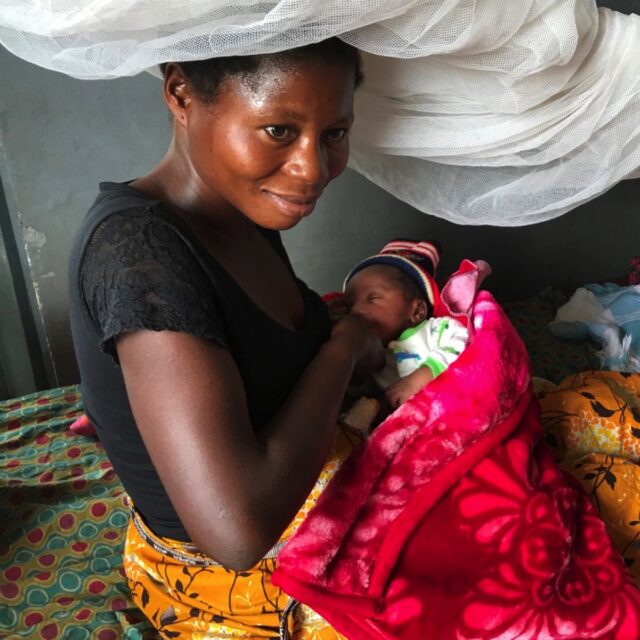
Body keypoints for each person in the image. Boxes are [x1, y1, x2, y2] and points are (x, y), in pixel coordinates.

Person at [68, 39, 385, 639]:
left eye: (334, 134)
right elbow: (236, 532)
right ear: (180, 93)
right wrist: (344, 347)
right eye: (278, 130)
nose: (313, 169)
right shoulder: (141, 257)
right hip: (230, 583)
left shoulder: (239, 211)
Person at [342, 240, 469, 408]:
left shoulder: (434, 330)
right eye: (349, 306)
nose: (356, 310)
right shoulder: (371, 358)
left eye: (373, 298)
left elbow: (462, 341)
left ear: (417, 311)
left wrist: (421, 377)